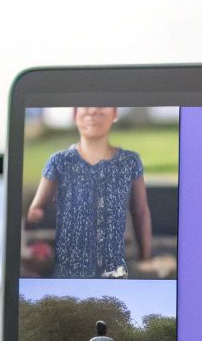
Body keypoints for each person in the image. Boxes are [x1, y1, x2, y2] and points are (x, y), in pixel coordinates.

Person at [25, 106, 154, 278]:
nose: (92, 113)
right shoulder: (59, 161)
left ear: (114, 114)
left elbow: (141, 212)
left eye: (101, 110)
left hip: (113, 267)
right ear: (74, 115)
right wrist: (35, 213)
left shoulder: (130, 161)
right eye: (85, 109)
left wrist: (145, 258)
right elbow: (37, 206)